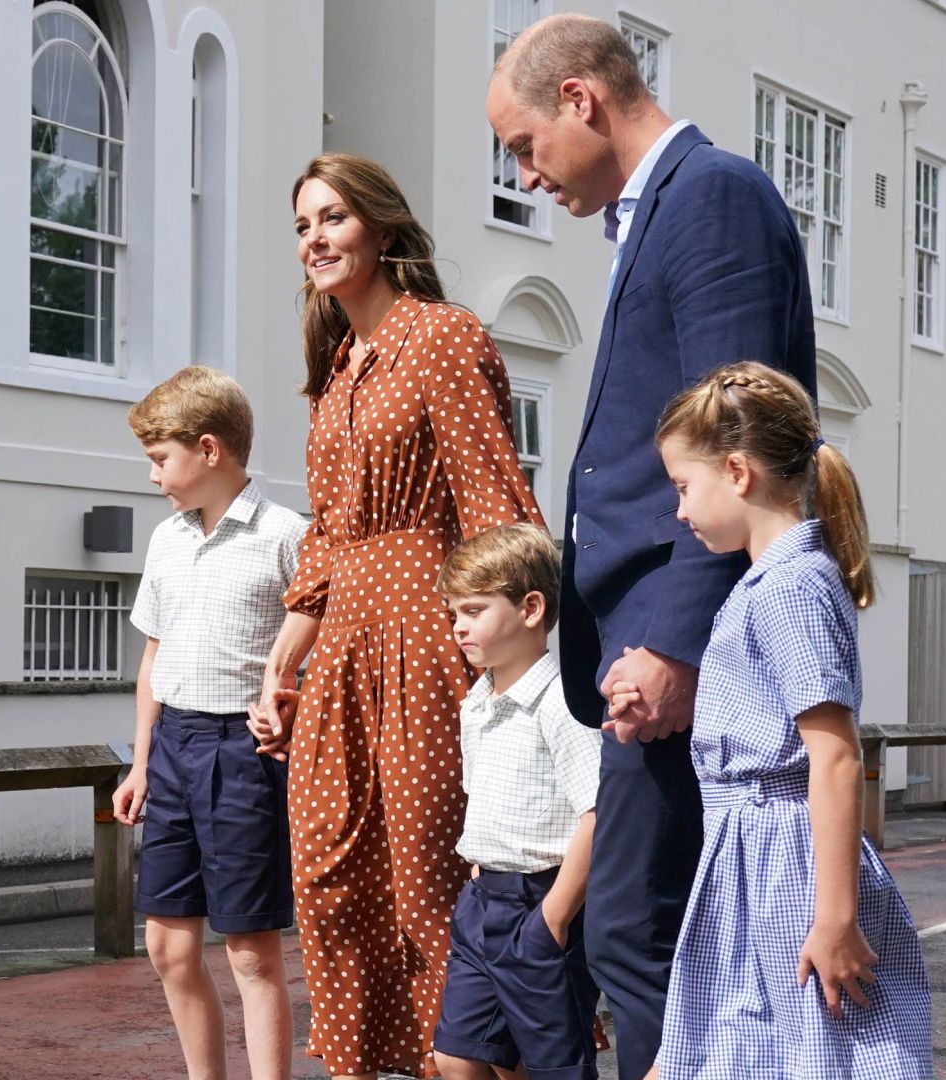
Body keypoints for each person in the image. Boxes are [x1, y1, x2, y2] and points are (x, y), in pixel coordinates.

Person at [486, 13, 817, 1076]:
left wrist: (674, 643)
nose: (528, 178)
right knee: (637, 930)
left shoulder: (711, 196)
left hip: (677, 633)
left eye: (526, 147)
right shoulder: (659, 213)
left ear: (581, 98)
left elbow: (738, 449)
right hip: (637, 632)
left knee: (640, 929)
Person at [250, 153, 542, 1080]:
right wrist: (281, 666)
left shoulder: (443, 337)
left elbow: (495, 504)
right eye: (303, 226)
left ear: (379, 227)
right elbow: (328, 544)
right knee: (331, 885)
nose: (316, 240)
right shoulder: (335, 372)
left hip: (427, 631)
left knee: (426, 882)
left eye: (332, 218)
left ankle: (466, 1062)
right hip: (340, 650)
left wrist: (512, 662)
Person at [609, 361, 931, 1078]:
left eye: (685, 488)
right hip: (749, 863)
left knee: (806, 1056)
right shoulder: (772, 583)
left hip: (787, 867)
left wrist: (837, 917)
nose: (681, 511)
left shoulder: (790, 586)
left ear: (737, 471)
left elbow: (835, 755)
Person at [112, 365, 305, 1080]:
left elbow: (319, 651)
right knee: (167, 947)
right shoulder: (166, 540)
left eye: (161, 458)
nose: (153, 475)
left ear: (210, 448)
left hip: (243, 756)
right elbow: (153, 657)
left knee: (252, 953)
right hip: (171, 749)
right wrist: (139, 762)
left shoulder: (288, 535)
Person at [430, 523, 602, 1080]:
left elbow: (597, 815)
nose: (459, 626)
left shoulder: (563, 704)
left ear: (531, 608)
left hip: (543, 901)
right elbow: (482, 798)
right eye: (454, 612)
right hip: (484, 902)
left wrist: (553, 919)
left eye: (475, 610)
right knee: (458, 1055)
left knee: (549, 1065)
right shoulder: (475, 703)